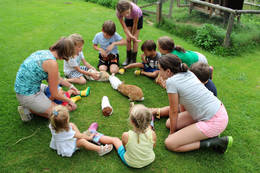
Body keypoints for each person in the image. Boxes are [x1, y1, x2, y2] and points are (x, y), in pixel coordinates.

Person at [157, 54, 233, 153]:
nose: (159, 72)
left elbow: (174, 111)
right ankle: (205, 133)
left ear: (168, 71)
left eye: (160, 70)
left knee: (170, 143)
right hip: (218, 111)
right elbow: (184, 101)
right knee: (169, 123)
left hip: (214, 121)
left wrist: (172, 133)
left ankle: (215, 142)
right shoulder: (188, 73)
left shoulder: (171, 82)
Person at [15, 37, 78, 121]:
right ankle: (27, 109)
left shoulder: (43, 52)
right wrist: (69, 101)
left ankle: (35, 105)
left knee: (56, 96)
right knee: (60, 114)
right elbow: (54, 94)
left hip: (28, 88)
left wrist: (71, 86)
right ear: (66, 53)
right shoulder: (52, 63)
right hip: (28, 95)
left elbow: (57, 79)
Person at [86, 104, 156, 168]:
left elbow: (125, 149)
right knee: (149, 130)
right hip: (149, 159)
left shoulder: (126, 135)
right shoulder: (152, 134)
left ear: (131, 121)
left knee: (115, 140)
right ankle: (149, 118)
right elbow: (152, 147)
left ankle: (92, 133)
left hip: (131, 162)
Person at [49, 105, 113, 157]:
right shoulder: (68, 132)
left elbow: (71, 129)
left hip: (61, 141)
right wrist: (90, 137)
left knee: (72, 125)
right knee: (82, 141)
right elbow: (80, 136)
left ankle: (84, 138)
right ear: (66, 121)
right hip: (67, 146)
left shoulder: (52, 125)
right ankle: (100, 150)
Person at [116, 0, 143, 65]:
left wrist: (133, 36)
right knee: (128, 39)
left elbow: (135, 25)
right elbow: (124, 27)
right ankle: (128, 58)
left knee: (135, 40)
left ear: (129, 8)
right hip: (129, 20)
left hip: (137, 18)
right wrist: (130, 36)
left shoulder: (135, 10)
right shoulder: (119, 13)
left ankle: (133, 60)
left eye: (127, 12)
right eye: (124, 14)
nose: (126, 15)